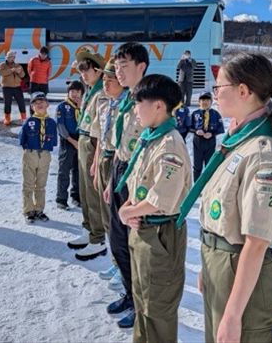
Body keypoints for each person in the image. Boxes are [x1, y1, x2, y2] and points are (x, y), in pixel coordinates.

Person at [176, 53, 272, 343]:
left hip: (241, 274)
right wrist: (210, 267)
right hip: (222, 264)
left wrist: (232, 315)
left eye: (219, 88)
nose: (215, 94)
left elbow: (256, 243)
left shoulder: (262, 154)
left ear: (243, 91)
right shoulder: (238, 142)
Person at [116, 74, 192, 343]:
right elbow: (138, 183)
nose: (135, 110)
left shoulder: (169, 143)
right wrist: (129, 207)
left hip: (160, 234)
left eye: (139, 103)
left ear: (159, 105)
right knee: (143, 304)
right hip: (143, 228)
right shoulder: (151, 138)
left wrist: (127, 213)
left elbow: (163, 200)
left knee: (157, 309)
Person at [105, 42, 149, 329]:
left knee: (136, 245)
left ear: (141, 67)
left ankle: (141, 304)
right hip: (120, 170)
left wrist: (137, 191)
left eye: (124, 66)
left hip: (138, 177)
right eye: (116, 67)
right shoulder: (124, 100)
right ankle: (129, 292)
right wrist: (111, 180)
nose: (118, 72)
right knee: (118, 240)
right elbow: (118, 145)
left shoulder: (149, 99)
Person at [67, 49, 109, 262]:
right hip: (84, 140)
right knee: (84, 190)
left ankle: (98, 238)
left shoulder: (102, 91)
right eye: (79, 69)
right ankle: (88, 228)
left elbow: (101, 126)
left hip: (93, 143)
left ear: (97, 70)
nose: (82, 73)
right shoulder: (91, 90)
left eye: (85, 69)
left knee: (92, 192)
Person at [92, 59, 127, 281]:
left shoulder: (127, 106)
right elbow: (99, 138)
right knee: (107, 217)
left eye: (110, 79)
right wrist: (96, 165)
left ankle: (125, 267)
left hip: (118, 161)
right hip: (104, 160)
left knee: (118, 219)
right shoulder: (105, 103)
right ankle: (116, 262)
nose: (106, 83)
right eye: (104, 79)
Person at [19, 92, 57, 222]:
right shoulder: (28, 122)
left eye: (42, 102)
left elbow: (54, 141)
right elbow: (22, 140)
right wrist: (29, 152)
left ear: (48, 104)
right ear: (31, 107)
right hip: (31, 154)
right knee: (28, 184)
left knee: (41, 184)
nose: (39, 104)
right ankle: (29, 210)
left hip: (45, 155)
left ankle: (39, 209)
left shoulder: (52, 123)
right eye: (36, 102)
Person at [56, 80, 84, 210]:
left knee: (78, 171)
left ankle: (76, 196)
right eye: (72, 91)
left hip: (81, 140)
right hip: (67, 140)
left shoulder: (84, 107)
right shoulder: (62, 106)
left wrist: (82, 108)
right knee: (64, 171)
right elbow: (61, 126)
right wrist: (73, 141)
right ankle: (61, 199)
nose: (75, 94)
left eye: (78, 91)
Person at [191, 92, 225, 181]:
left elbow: (221, 128)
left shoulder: (216, 114)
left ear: (211, 101)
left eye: (207, 100)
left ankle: (207, 187)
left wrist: (212, 134)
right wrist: (196, 131)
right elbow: (189, 127)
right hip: (198, 142)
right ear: (199, 102)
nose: (204, 102)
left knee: (209, 166)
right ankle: (196, 186)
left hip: (210, 142)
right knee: (197, 167)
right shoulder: (195, 114)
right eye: (202, 100)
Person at [0, 50, 26, 126]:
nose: (12, 58)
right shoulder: (2, 65)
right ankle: (7, 118)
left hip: (17, 87)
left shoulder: (18, 65)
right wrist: (12, 70)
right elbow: (2, 73)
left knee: (21, 102)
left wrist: (19, 72)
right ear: (7, 57)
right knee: (7, 103)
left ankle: (23, 118)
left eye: (13, 57)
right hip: (6, 87)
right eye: (10, 57)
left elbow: (23, 75)